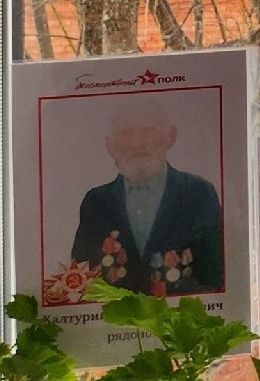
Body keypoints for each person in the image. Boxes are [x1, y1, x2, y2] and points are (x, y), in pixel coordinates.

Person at [69, 97, 225, 294]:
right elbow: (83, 281)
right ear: (110, 145)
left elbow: (215, 279)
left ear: (171, 137)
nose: (137, 143)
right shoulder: (96, 203)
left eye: (148, 131)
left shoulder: (199, 195)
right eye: (126, 134)